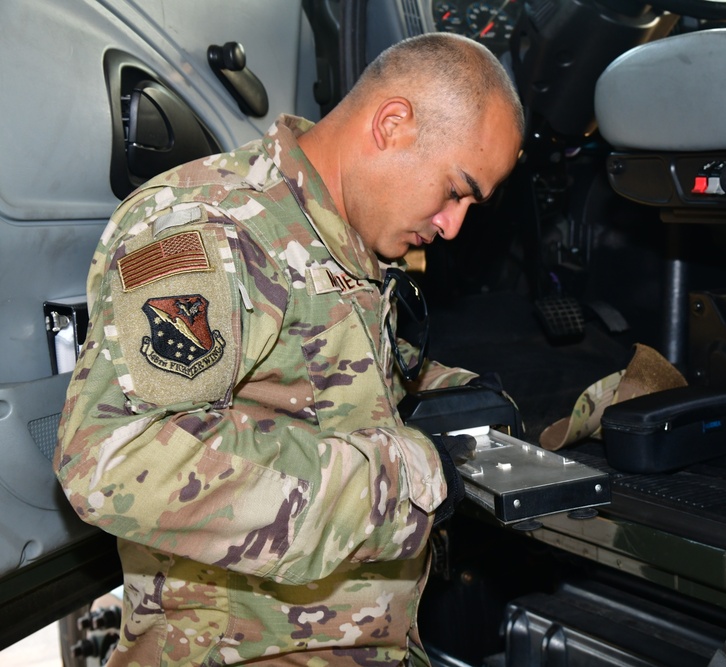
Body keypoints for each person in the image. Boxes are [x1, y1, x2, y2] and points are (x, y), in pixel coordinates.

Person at [54, 32, 524, 666]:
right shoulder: (212, 230)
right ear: (392, 124)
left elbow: (334, 390)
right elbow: (117, 459)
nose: (453, 225)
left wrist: (457, 400)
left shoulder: (355, 239)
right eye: (455, 190)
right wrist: (401, 486)